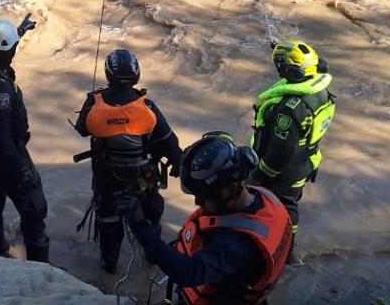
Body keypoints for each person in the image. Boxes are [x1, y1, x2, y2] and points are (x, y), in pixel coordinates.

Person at [117, 132, 293, 304]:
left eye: (203, 197)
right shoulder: (262, 198)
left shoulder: (236, 245)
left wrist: (141, 227)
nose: (197, 201)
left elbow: (189, 273)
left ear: (230, 190)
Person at [74, 49, 182, 273]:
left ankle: (109, 265)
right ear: (136, 75)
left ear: (107, 74)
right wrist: (176, 162)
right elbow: (169, 142)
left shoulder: (94, 103)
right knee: (150, 218)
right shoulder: (147, 107)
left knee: (109, 221)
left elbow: (82, 129)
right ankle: (153, 259)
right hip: (143, 181)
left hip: (107, 179)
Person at [0, 15, 50, 262]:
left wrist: (20, 30)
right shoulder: (1, 88)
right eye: (14, 46)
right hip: (4, 153)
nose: (15, 50)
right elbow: (3, 137)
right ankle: (40, 267)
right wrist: (21, 170)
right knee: (35, 208)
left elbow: (0, 48)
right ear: (8, 51)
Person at [249, 40, 336, 256]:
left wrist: (258, 176)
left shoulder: (289, 110)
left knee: (264, 208)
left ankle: (264, 251)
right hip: (305, 162)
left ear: (290, 71)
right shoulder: (321, 93)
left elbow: (279, 154)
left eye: (280, 65)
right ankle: (288, 250)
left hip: (280, 172)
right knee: (289, 206)